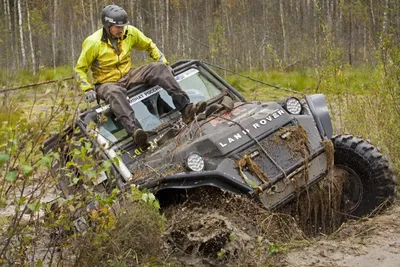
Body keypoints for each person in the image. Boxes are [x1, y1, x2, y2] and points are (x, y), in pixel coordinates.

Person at [75, 4, 205, 149]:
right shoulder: (93, 43)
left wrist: (163, 62)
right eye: (117, 27)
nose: (121, 29)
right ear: (107, 25)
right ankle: (136, 132)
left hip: (128, 74)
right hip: (106, 82)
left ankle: (186, 108)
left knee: (159, 69)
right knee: (114, 93)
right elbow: (79, 69)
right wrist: (87, 89)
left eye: (123, 26)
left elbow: (149, 45)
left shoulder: (130, 33)